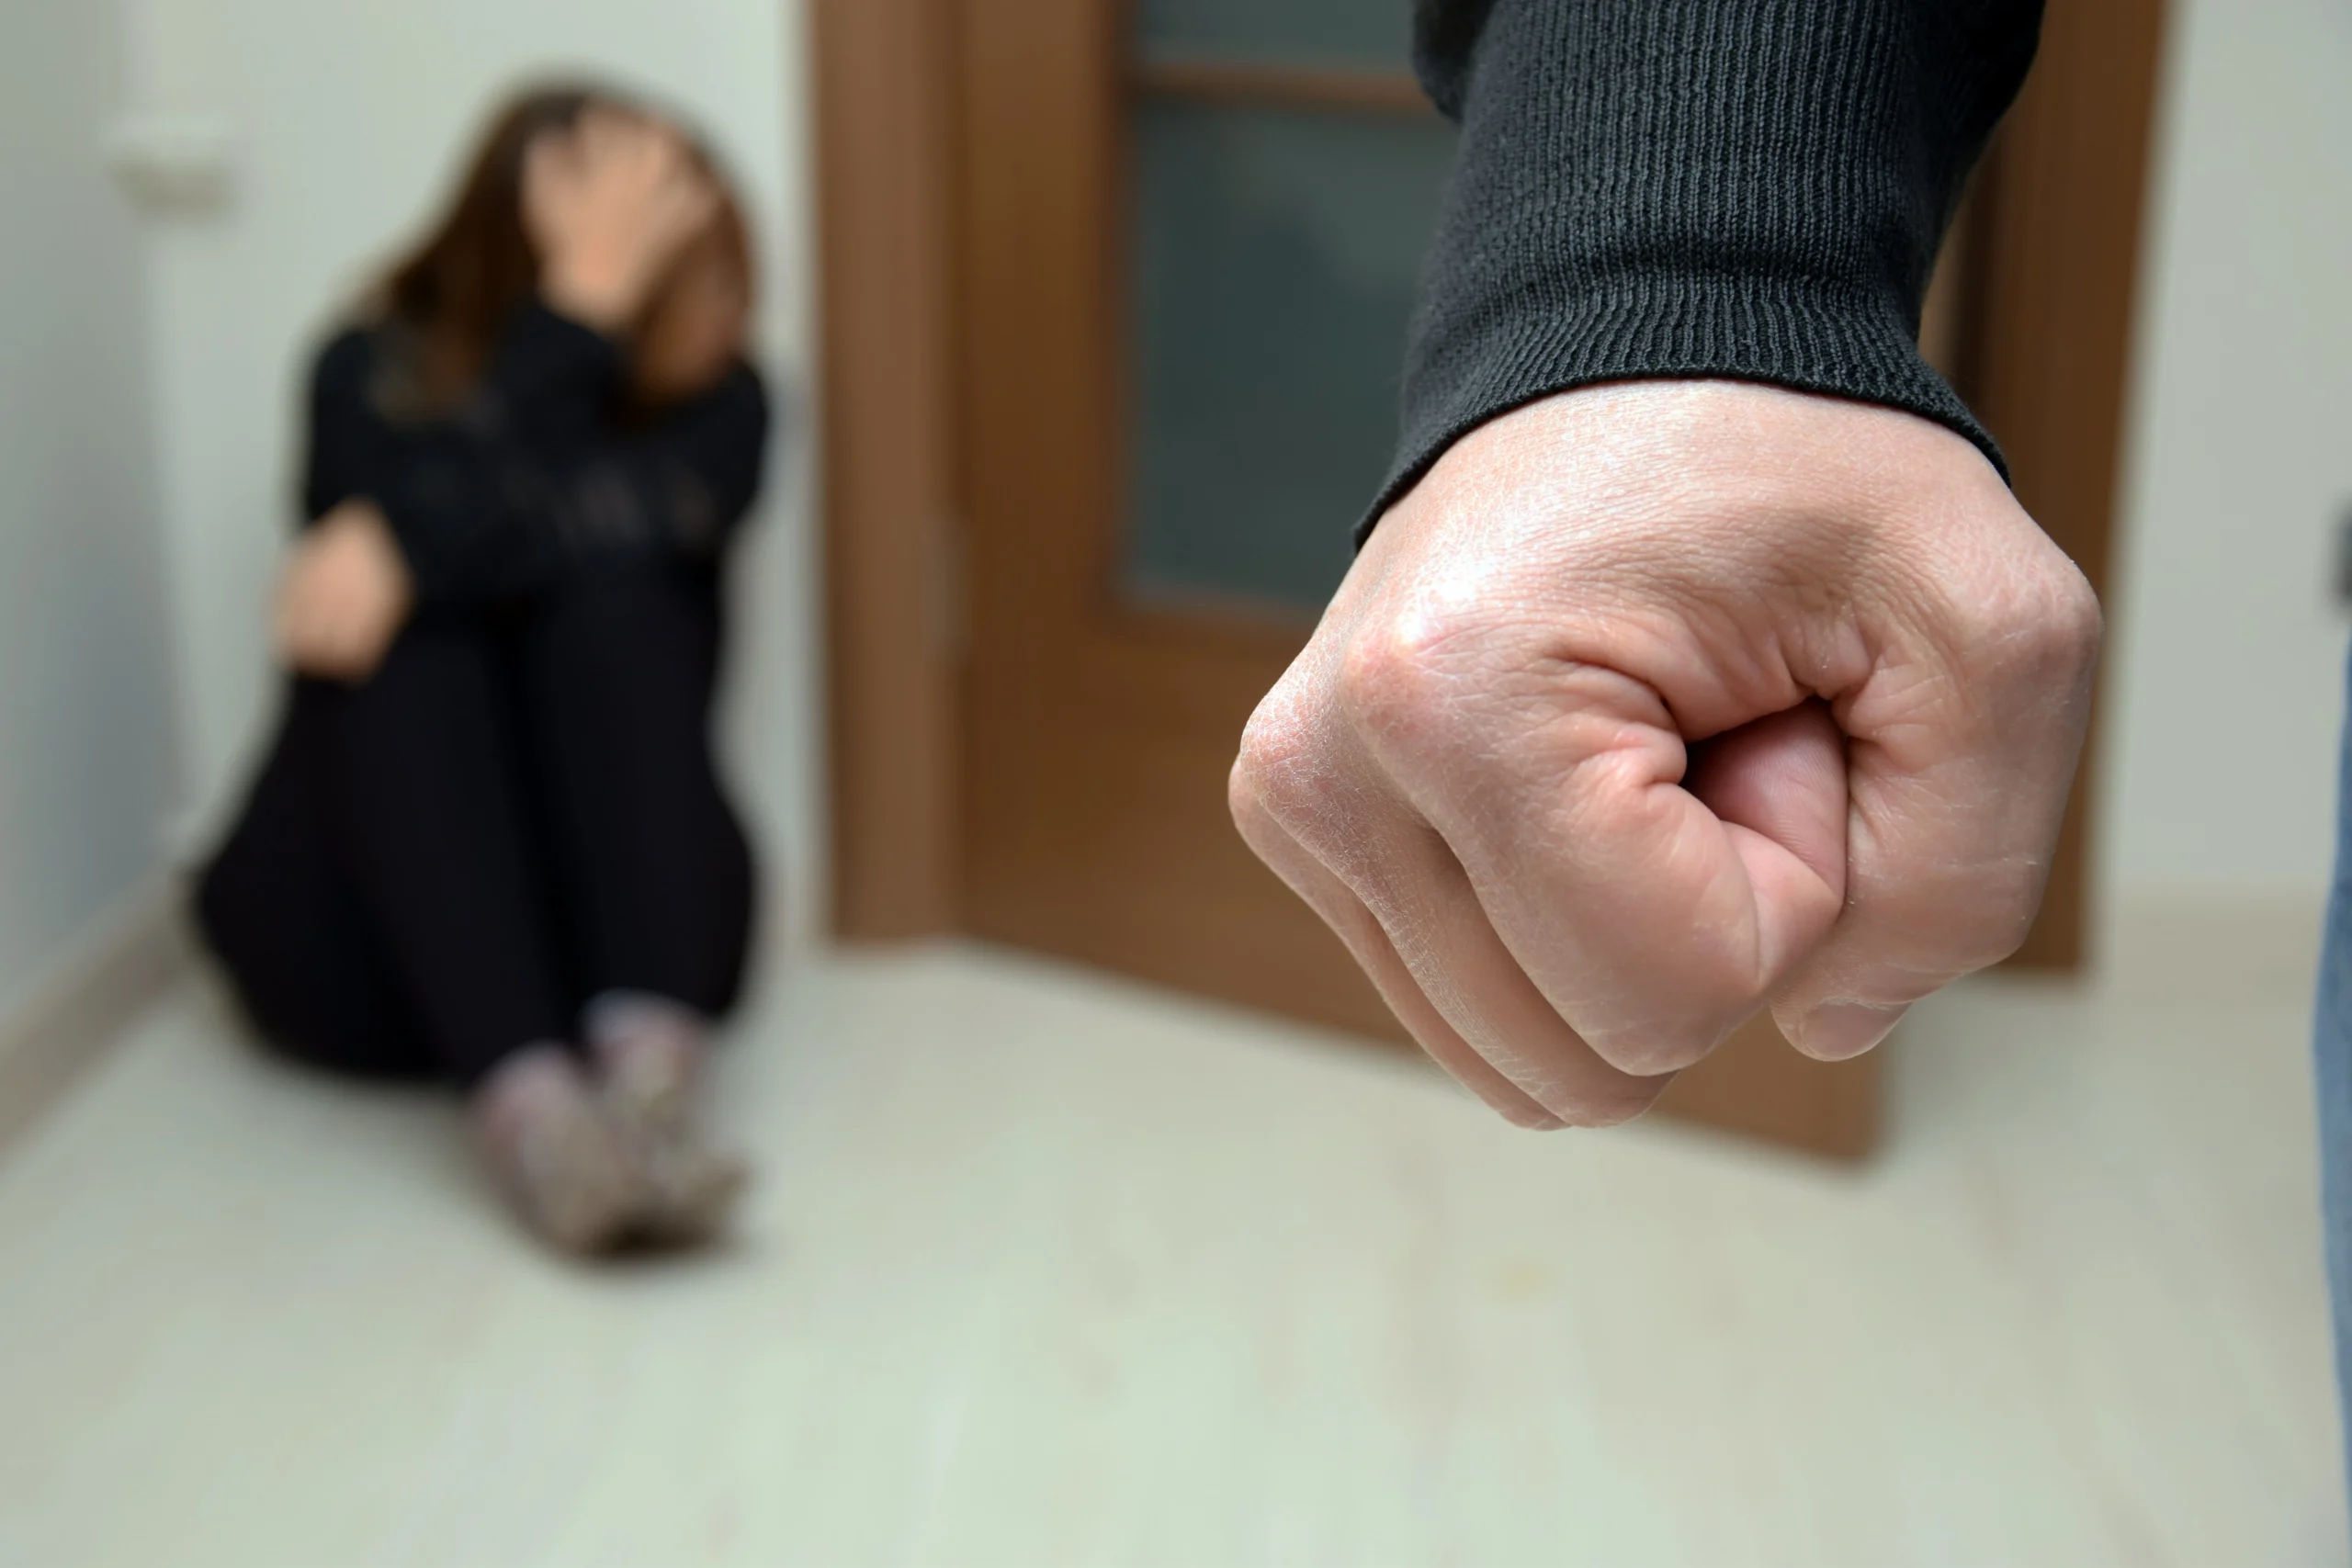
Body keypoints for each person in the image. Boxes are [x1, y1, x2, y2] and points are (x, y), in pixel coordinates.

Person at [195, 86, 771, 1255]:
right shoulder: (361, 369)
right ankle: (544, 1127)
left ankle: (650, 1093)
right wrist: (581, 313)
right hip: (371, 958)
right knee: (395, 634)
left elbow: (579, 536)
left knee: (606, 597)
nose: (720, 295)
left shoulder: (726, 408)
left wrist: (406, 540)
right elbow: (339, 614)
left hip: (627, 951)